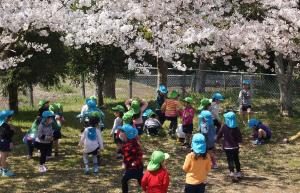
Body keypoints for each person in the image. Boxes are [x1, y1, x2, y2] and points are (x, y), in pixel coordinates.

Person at [217, 112, 243, 181]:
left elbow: (219, 135)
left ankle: (232, 172)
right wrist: (238, 142)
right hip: (235, 147)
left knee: (230, 160)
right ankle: (238, 172)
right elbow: (239, 138)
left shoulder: (224, 126)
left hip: (227, 147)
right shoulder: (236, 128)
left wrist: (217, 139)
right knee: (236, 159)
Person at [119, 124, 143, 193]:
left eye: (121, 132)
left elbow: (127, 157)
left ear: (126, 134)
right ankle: (147, 189)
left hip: (133, 167)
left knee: (124, 180)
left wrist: (124, 164)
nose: (120, 134)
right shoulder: (133, 141)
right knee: (140, 178)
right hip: (139, 166)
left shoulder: (128, 146)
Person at [0, 110, 15, 177]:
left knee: (1, 156)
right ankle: (5, 171)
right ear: (6, 117)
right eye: (11, 116)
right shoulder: (6, 125)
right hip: (5, 142)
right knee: (4, 157)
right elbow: (7, 135)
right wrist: (12, 130)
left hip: (1, 141)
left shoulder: (1, 124)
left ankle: (1, 169)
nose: (12, 117)